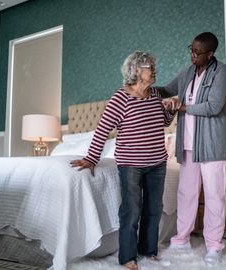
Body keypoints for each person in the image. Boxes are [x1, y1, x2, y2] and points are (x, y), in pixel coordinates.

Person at [71, 51, 176, 270]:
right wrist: (91, 158)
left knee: (154, 208)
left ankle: (148, 250)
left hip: (157, 162)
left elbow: (163, 123)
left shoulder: (156, 95)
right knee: (131, 210)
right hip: (131, 165)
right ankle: (128, 256)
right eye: (150, 67)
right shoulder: (120, 98)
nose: (155, 70)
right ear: (136, 70)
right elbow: (102, 131)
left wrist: (171, 111)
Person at [158, 32, 226, 265]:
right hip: (188, 145)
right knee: (186, 193)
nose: (192, 55)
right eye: (191, 49)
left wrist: (182, 108)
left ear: (210, 54)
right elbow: (167, 89)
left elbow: (213, 106)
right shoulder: (188, 72)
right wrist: (142, 88)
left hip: (212, 145)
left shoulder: (222, 72)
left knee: (214, 195)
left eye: (197, 52)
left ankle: (214, 245)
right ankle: (181, 240)